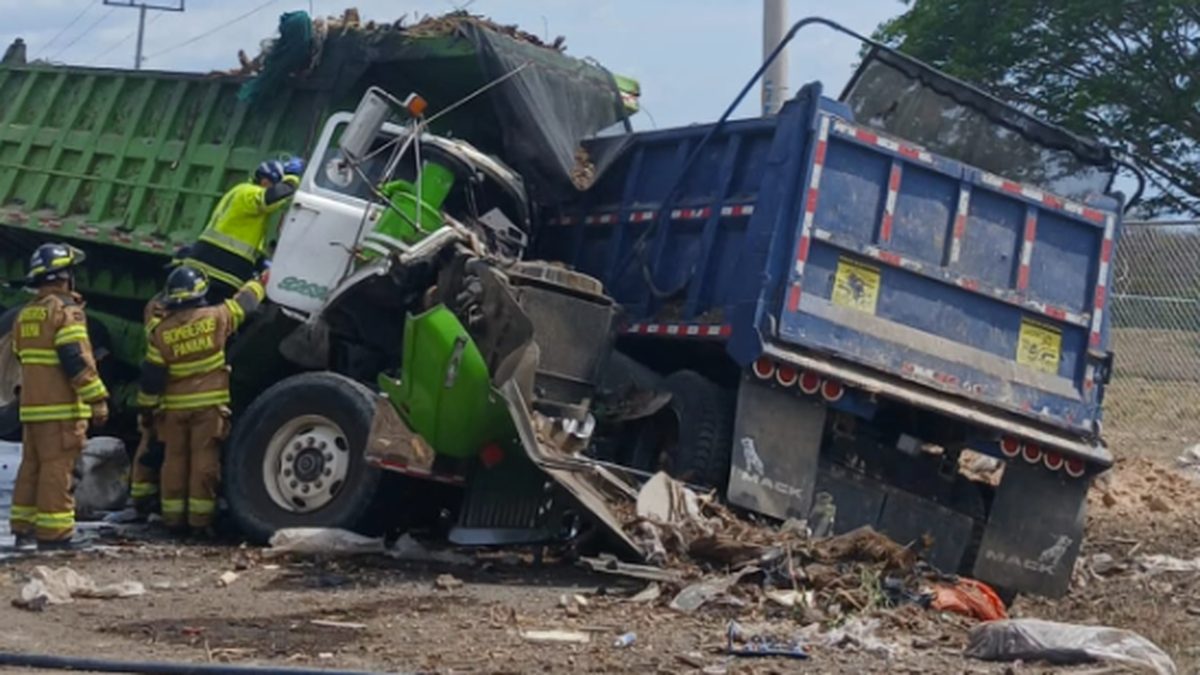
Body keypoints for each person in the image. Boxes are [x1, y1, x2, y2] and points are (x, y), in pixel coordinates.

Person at [137, 265, 264, 535]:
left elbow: (152, 377)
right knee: (204, 462)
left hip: (173, 410)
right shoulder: (217, 317)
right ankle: (199, 523)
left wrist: (147, 409)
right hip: (209, 408)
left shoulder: (161, 332)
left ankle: (172, 521)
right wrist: (261, 280)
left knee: (174, 460)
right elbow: (246, 304)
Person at [10, 243, 108, 550]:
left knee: (31, 468)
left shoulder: (25, 315)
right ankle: (55, 535)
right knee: (57, 470)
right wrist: (97, 399)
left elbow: (20, 354)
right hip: (60, 411)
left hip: (32, 410)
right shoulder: (66, 313)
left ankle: (23, 528)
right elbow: (75, 360)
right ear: (65, 277)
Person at [184, 157, 304, 301]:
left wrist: (259, 262)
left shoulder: (240, 193)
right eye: (274, 184)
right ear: (265, 181)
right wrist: (291, 178)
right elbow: (273, 197)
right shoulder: (249, 193)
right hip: (220, 268)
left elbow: (243, 235)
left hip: (208, 263)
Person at [129, 246, 192, 517]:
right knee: (151, 439)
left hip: (166, 383)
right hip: (164, 384)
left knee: (157, 443)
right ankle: (142, 497)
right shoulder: (160, 307)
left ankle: (146, 496)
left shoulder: (161, 304)